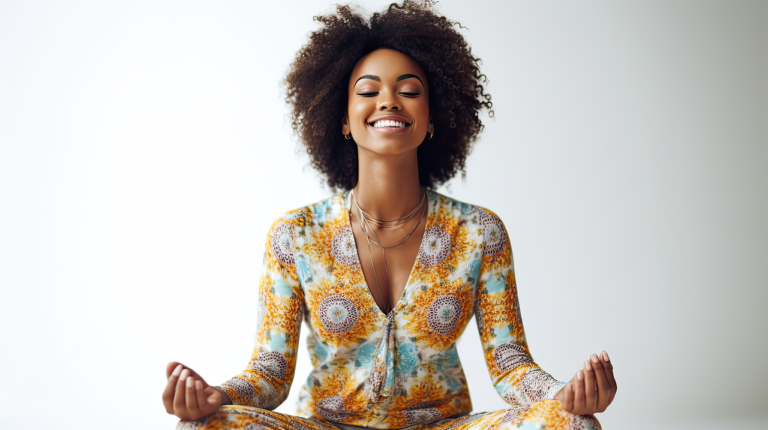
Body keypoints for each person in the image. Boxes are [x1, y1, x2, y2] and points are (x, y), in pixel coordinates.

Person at [162, 1, 617, 429]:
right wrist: (216, 396)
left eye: (409, 90)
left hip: (444, 426)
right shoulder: (294, 236)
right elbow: (271, 370)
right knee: (203, 425)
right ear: (342, 118)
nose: (389, 101)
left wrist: (565, 395)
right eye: (368, 90)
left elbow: (510, 364)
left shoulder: (480, 233)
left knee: (575, 423)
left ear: (432, 117)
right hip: (326, 426)